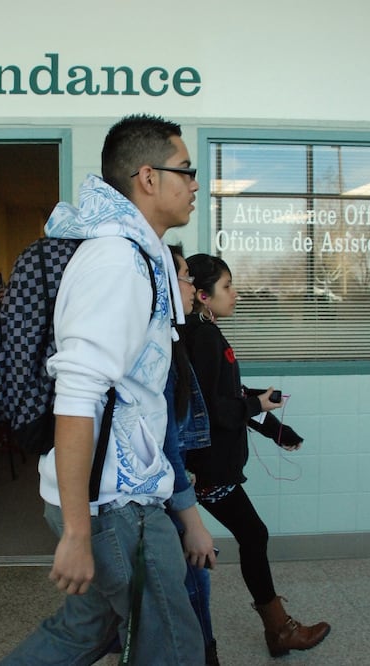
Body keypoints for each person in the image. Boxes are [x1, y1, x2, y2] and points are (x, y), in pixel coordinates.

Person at [1, 115, 205, 665]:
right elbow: (76, 396)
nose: (194, 183)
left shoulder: (144, 253)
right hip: (116, 507)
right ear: (147, 177)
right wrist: (76, 532)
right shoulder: (118, 261)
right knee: (173, 644)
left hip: (115, 498)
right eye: (185, 171)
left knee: (83, 633)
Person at [182, 253, 332, 659]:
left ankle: (261, 633)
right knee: (251, 535)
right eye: (227, 287)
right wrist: (261, 408)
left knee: (237, 540)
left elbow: (230, 397)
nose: (236, 294)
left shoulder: (200, 334)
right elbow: (215, 410)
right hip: (208, 469)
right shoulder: (204, 338)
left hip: (210, 466)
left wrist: (273, 427)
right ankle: (276, 630)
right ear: (202, 295)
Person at [163, 245, 219, 664]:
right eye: (184, 276)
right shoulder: (166, 348)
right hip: (169, 487)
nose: (192, 286)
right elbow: (165, 438)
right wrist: (191, 518)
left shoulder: (175, 339)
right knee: (192, 579)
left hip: (179, 479)